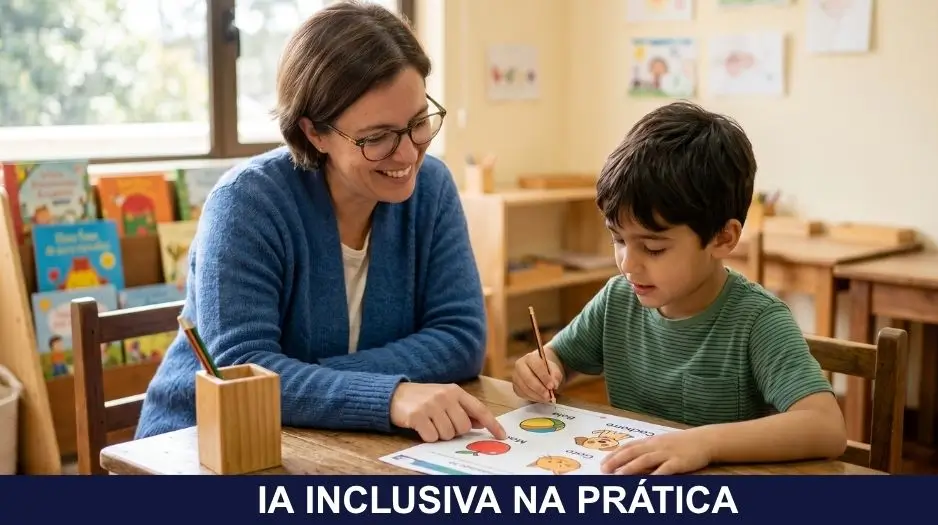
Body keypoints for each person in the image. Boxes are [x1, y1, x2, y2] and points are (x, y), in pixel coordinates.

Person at [135, 1, 506, 444]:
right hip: (197, 445)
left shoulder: (432, 188)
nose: (408, 154)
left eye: (418, 122)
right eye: (378, 137)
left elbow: (461, 337)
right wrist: (388, 397)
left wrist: (319, 380)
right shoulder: (245, 204)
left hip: (337, 443)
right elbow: (242, 370)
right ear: (315, 132)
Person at [511, 101, 846, 474]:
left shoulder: (757, 321)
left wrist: (705, 442)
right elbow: (559, 358)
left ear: (723, 238)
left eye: (653, 248)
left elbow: (826, 427)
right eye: (618, 240)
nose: (628, 263)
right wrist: (542, 367)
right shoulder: (618, 299)